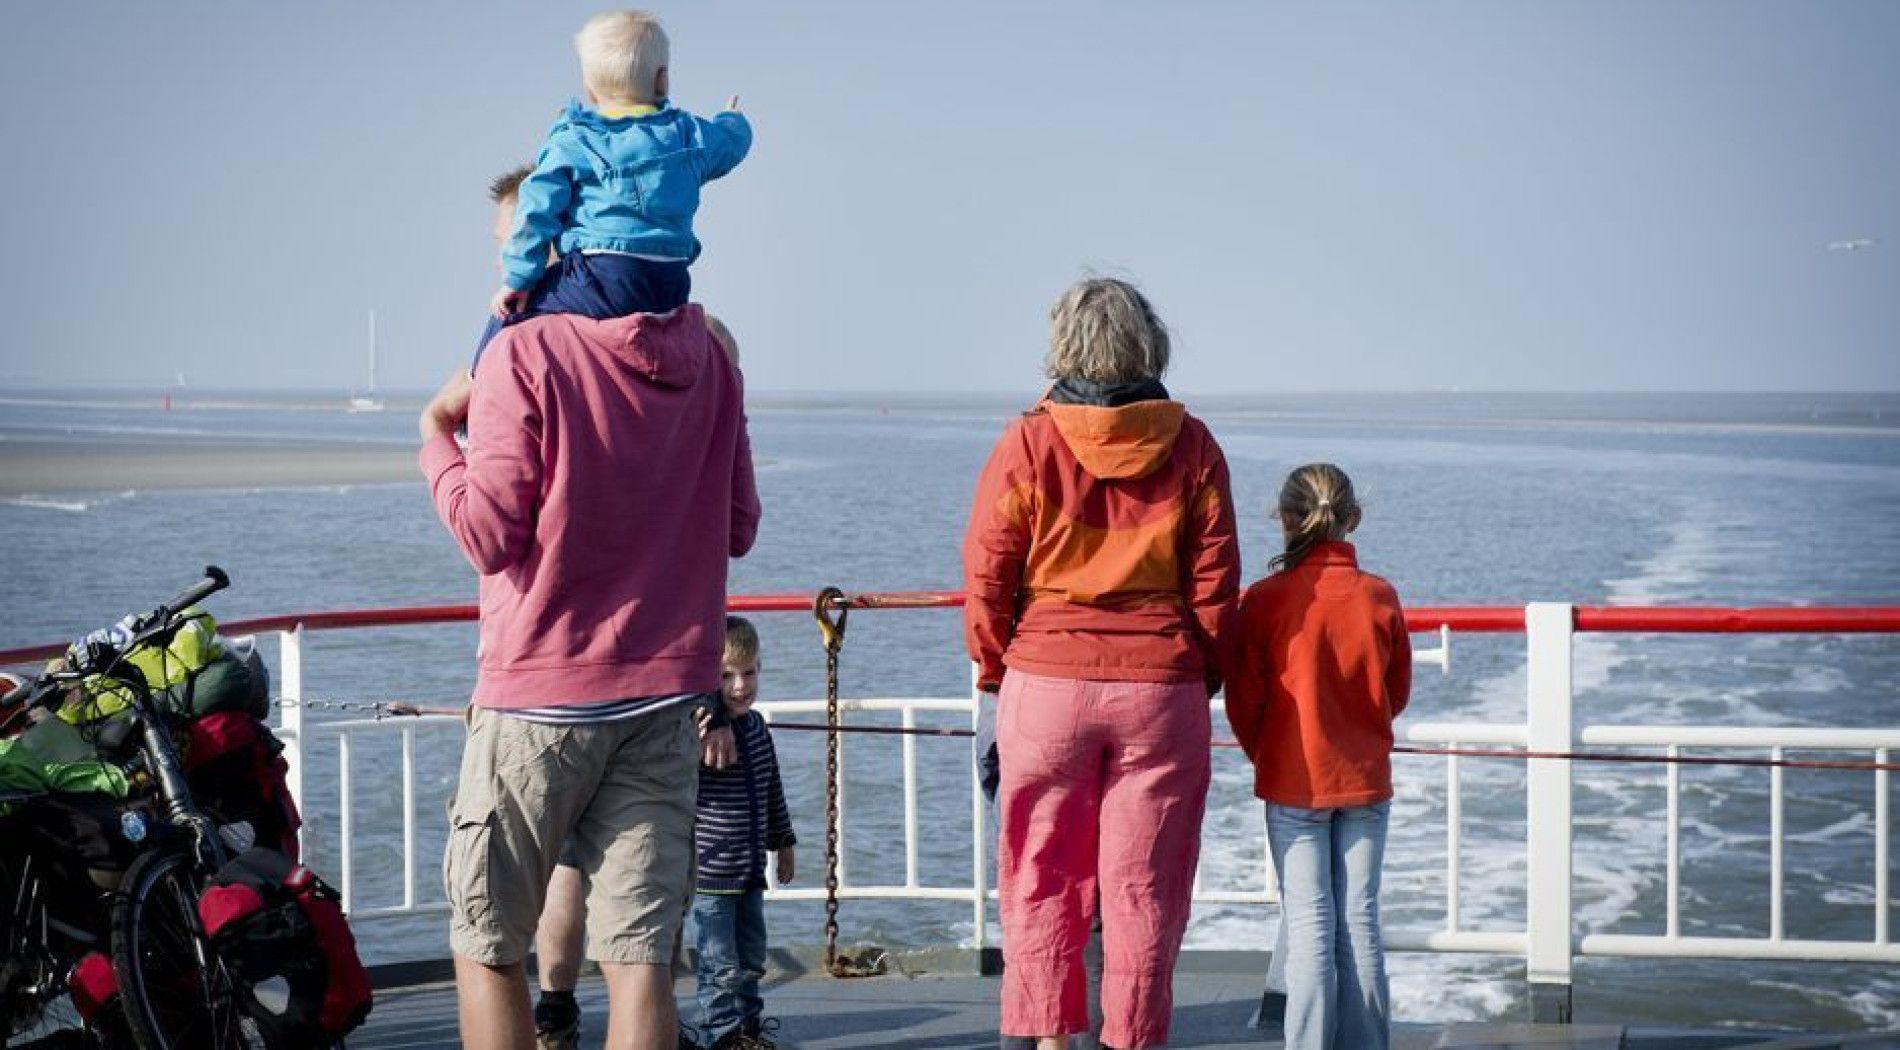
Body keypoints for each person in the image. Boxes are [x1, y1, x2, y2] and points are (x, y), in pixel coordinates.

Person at [421, 288, 759, 1050]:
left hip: (540, 695)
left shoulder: (526, 351)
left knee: (489, 941)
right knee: (640, 957)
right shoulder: (711, 359)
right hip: (665, 699)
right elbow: (738, 527)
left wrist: (438, 434)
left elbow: (486, 535)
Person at [962, 276, 1240, 1050]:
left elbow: (987, 575)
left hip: (1044, 685)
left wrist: (995, 671)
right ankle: (1132, 1039)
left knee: (1040, 878)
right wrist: (1201, 671)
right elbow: (1216, 586)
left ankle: (1050, 1038)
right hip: (1161, 689)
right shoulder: (1193, 445)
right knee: (1144, 888)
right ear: (1150, 344)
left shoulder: (1027, 442)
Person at [1223, 464, 1412, 1050]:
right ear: (1353, 518)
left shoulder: (1264, 601)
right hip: (1364, 782)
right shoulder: (1380, 596)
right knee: (1360, 922)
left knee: (1310, 930)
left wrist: (1272, 755)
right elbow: (1396, 691)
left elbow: (1243, 701)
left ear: (1284, 518)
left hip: (1293, 784)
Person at [474, 9, 751, 371]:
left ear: (589, 88)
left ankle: (475, 402)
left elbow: (536, 210)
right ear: (662, 80)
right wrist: (732, 119)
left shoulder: (574, 139)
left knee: (507, 315)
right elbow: (731, 143)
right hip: (669, 285)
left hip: (602, 280)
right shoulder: (688, 134)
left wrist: (517, 279)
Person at [690, 616, 795, 1050]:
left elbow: (772, 788)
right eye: (727, 675)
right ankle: (722, 1035)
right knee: (718, 964)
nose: (740, 686)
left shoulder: (757, 729)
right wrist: (701, 728)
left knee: (752, 958)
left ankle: (750, 1029)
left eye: (749, 673)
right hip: (713, 873)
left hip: (751, 871)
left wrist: (784, 842)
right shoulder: (703, 736)